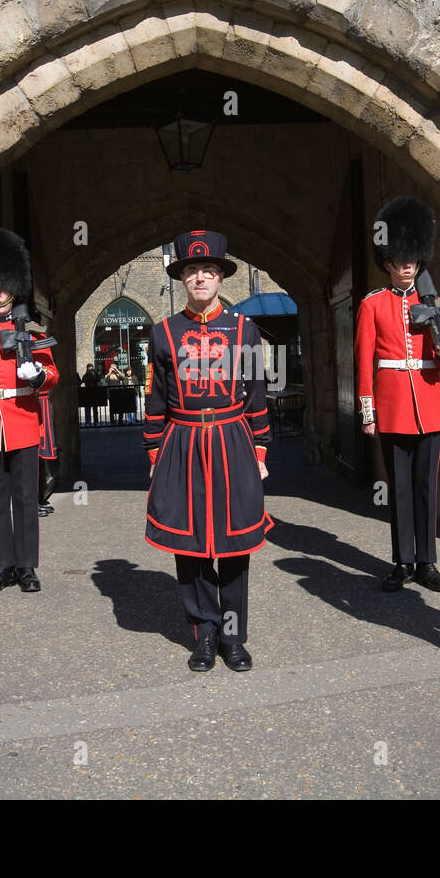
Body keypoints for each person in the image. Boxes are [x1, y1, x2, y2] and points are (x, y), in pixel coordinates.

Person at [143, 230, 272, 672]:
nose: (200, 278)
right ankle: (203, 633)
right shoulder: (162, 333)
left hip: (233, 437)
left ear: (220, 277)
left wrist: (260, 449)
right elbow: (156, 397)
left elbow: (257, 392)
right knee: (192, 543)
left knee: (235, 542)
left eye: (208, 271)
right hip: (182, 441)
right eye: (192, 272)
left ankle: (234, 636)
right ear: (182, 279)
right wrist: (154, 453)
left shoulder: (245, 329)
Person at [355, 196, 440, 594]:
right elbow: (364, 361)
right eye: (398, 258)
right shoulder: (372, 304)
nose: (405, 264)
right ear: (388, 262)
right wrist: (368, 411)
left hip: (428, 405)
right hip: (394, 408)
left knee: (426, 488)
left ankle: (427, 561)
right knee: (398, 490)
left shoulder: (434, 304)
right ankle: (402, 561)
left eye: (411, 257)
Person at [0, 228, 58, 595]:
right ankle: (1, 566)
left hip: (21, 420)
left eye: (2, 286)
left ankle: (27, 566)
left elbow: (53, 374)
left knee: (24, 498)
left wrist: (37, 376)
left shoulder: (32, 331)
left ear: (13, 288)